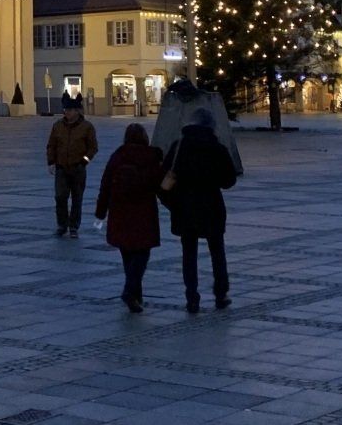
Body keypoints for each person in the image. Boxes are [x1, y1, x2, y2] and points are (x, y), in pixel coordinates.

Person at [161, 106, 239, 313]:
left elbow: (163, 178)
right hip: (212, 207)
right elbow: (229, 180)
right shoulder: (217, 148)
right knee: (217, 251)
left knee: (189, 254)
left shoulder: (179, 147)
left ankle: (192, 297)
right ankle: (221, 294)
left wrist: (173, 204)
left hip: (185, 209)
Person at [95, 123, 165, 312]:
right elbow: (159, 184)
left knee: (128, 255)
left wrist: (100, 213)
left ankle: (135, 295)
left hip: (120, 213)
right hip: (144, 214)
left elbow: (106, 185)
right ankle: (131, 292)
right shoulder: (151, 157)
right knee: (142, 253)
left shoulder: (118, 156)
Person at [46, 95, 99, 238]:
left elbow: (93, 148)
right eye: (65, 110)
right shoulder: (58, 126)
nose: (67, 113)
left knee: (77, 199)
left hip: (78, 169)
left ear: (77, 111)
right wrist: (51, 161)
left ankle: (74, 226)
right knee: (60, 197)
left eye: (69, 110)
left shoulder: (87, 127)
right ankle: (62, 225)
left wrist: (84, 161)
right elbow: (51, 145)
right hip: (61, 168)